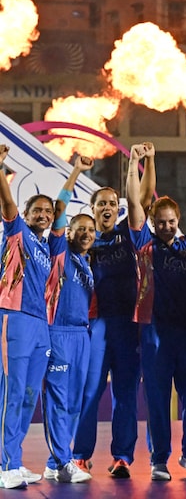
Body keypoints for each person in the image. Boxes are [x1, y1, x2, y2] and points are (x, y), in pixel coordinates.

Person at [72, 149, 155, 478]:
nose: (107, 207)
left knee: (125, 394)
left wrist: (144, 162)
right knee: (89, 392)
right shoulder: (85, 241)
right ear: (91, 211)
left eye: (111, 203)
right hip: (95, 327)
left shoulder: (127, 233)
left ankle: (122, 456)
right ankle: (80, 455)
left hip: (127, 326)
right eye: (101, 204)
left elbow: (144, 198)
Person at [126, 143, 186, 481]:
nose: (166, 227)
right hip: (154, 331)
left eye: (171, 222)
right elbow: (135, 201)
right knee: (157, 399)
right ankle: (159, 459)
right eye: (160, 222)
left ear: (179, 221)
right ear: (152, 223)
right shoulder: (144, 243)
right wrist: (139, 161)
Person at [0, 144, 53, 489]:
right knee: (12, 392)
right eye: (38, 210)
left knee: (30, 394)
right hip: (15, 317)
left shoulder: (47, 247)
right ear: (27, 213)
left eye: (49, 212)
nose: (44, 215)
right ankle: (5, 465)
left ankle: (15, 460)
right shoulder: (17, 233)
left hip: (40, 324)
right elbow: (7, 205)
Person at [41, 155, 95, 484]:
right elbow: (59, 211)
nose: (86, 233)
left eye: (90, 230)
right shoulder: (60, 251)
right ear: (69, 232)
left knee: (75, 401)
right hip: (58, 333)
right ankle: (63, 461)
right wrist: (75, 172)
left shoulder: (88, 264)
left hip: (82, 337)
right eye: (81, 229)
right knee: (58, 399)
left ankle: (55, 461)